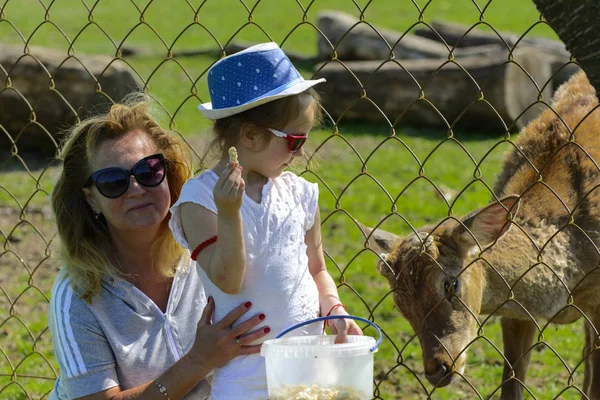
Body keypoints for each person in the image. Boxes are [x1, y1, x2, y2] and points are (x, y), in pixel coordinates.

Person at [169, 42, 363, 400]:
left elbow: (316, 268)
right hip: (246, 380)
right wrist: (229, 214)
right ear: (251, 135)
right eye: (294, 140)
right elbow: (229, 279)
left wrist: (333, 306)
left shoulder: (300, 194)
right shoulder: (201, 202)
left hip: (308, 371)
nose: (303, 152)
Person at [48, 98, 270, 400]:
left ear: (168, 173)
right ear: (90, 200)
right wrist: (198, 361)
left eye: (149, 170)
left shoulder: (212, 252)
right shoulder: (78, 293)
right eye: (113, 181)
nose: (137, 189)